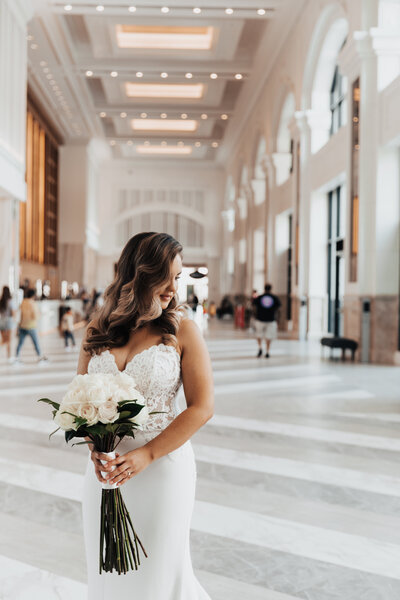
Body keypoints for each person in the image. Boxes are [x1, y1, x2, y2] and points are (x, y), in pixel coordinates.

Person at [77, 232, 214, 600]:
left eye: (178, 277)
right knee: (106, 574)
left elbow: (202, 407)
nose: (173, 287)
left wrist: (147, 454)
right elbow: (81, 397)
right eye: (164, 276)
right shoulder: (98, 328)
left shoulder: (182, 329)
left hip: (163, 469)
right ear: (138, 273)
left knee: (158, 574)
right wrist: (94, 445)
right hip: (105, 472)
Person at [15, 289, 47, 363]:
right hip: (31, 326)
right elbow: (35, 316)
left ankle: (17, 357)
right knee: (36, 342)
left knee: (20, 343)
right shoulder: (33, 303)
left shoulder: (23, 302)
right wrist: (41, 314)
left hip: (22, 325)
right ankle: (40, 357)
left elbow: (20, 314)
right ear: (33, 295)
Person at [252, 283, 281, 358]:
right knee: (269, 336)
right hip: (270, 319)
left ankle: (260, 347)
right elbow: (278, 308)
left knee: (259, 334)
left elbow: (254, 305)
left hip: (260, 319)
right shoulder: (274, 298)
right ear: (271, 289)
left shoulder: (260, 297)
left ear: (264, 288)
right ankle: (267, 351)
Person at [0, 286, 16, 361]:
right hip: (9, 321)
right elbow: (13, 313)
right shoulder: (10, 301)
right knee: (9, 340)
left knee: (4, 340)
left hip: (1, 321)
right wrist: (15, 321)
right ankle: (9, 357)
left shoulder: (1, 301)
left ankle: (9, 356)